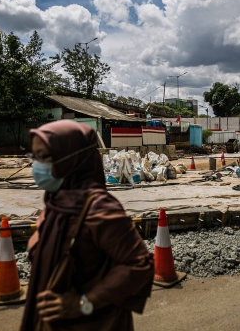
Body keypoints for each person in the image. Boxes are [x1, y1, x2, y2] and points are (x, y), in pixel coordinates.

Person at [21, 120, 154, 331]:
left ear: (72, 159)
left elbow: (139, 265)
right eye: (34, 156)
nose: (37, 165)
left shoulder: (100, 208)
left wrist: (84, 303)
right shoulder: (56, 201)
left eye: (44, 157)